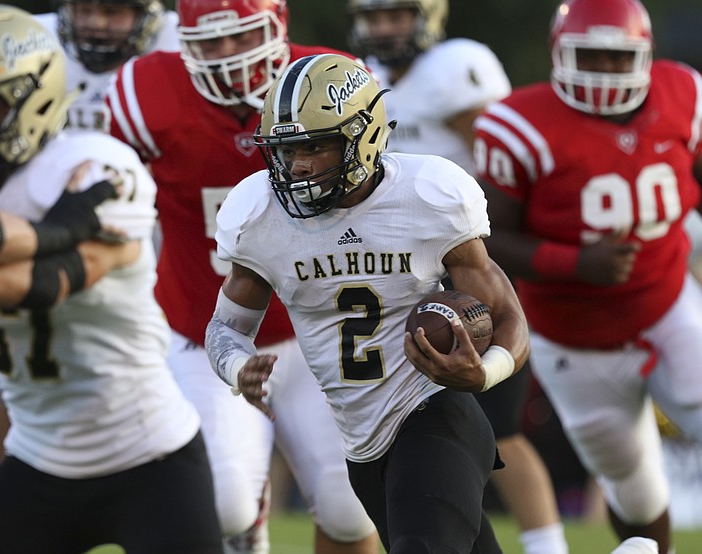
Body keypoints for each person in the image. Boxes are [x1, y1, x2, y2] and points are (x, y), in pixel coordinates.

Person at [0, 5, 222, 553]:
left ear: (33, 102)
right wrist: (53, 229)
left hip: (149, 458)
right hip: (37, 458)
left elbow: (48, 283)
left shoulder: (92, 164)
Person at [205, 52, 531, 553]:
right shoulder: (260, 215)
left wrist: (483, 373)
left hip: (434, 412)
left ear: (365, 135)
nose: (298, 165)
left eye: (315, 146)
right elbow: (224, 329)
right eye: (287, 150)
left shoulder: (427, 195)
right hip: (362, 445)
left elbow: (508, 313)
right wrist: (237, 367)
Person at [106, 1, 378, 552]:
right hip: (204, 326)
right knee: (224, 503)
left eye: (239, 37)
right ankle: (249, 525)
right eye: (208, 42)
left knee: (353, 510)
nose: (226, 55)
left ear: (278, 24)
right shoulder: (144, 92)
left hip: (316, 327)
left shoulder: (333, 80)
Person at [472, 0, 702, 552]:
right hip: (572, 335)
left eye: (618, 58)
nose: (604, 71)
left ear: (645, 57)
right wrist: (576, 263)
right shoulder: (516, 123)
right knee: (636, 490)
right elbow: (488, 237)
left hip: (667, 303)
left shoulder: (684, 94)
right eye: (590, 56)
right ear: (560, 53)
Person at [347, 2, 570, 553]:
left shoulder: (456, 67)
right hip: (391, 276)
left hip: (463, 267)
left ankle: (548, 546)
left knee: (499, 427)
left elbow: (502, 161)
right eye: (374, 18)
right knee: (400, 427)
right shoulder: (353, 79)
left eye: (396, 16)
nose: (383, 29)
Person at [35, 0, 180, 132]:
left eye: (112, 12)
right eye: (85, 10)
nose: (96, 24)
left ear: (145, 14)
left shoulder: (177, 42)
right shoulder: (36, 38)